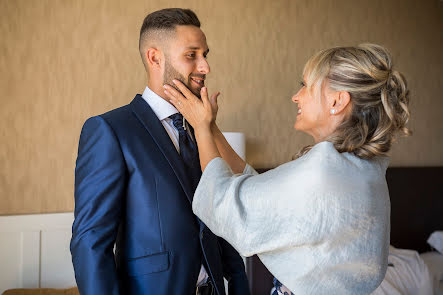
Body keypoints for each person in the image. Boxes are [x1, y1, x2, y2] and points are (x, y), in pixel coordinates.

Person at [163, 43, 411, 294]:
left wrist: (202, 128)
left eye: (305, 85)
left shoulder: (322, 174)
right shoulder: (358, 169)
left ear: (337, 100)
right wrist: (212, 128)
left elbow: (223, 203)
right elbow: (255, 190)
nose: (296, 96)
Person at [70, 8, 250, 295]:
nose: (205, 67)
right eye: (192, 55)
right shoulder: (110, 130)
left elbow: (220, 217)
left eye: (205, 54)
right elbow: (90, 241)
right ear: (155, 57)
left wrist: (240, 285)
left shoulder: (200, 128)